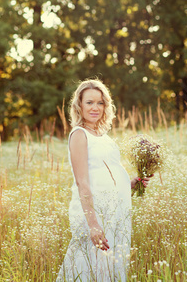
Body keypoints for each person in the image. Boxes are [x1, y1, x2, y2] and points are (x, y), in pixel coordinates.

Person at [56, 79, 153, 282]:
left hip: (115, 211)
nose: (95, 108)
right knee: (90, 264)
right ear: (79, 106)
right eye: (89, 102)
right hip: (96, 213)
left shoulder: (103, 135)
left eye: (100, 103)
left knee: (110, 266)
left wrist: (132, 183)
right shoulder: (80, 135)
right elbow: (82, 182)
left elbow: (106, 175)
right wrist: (93, 224)